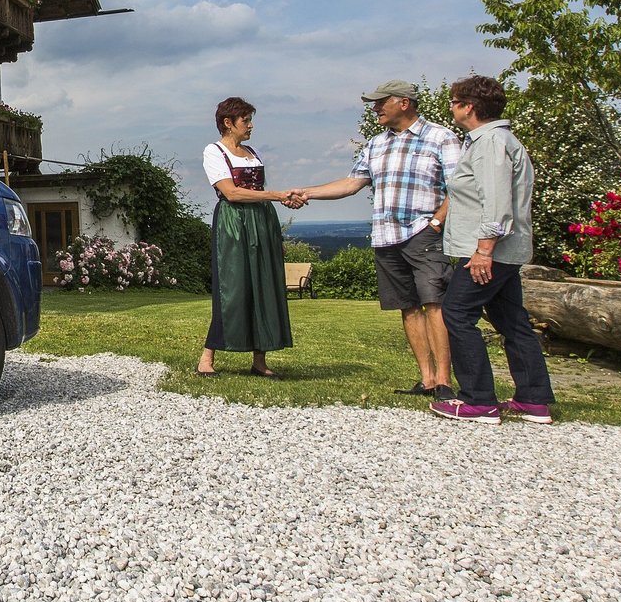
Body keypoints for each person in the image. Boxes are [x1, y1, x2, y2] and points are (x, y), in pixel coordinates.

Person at [291, 80, 462, 399]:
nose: (375, 108)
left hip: (423, 233)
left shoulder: (441, 137)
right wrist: (307, 192)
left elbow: (460, 187)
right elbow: (352, 183)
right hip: (386, 237)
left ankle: (444, 382)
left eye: (381, 102)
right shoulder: (376, 144)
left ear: (404, 103)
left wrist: (437, 223)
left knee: (434, 305)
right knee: (408, 308)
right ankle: (426, 379)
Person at [429, 75, 554, 424]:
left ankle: (478, 400)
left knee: (457, 314)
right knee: (511, 320)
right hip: (501, 251)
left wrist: (484, 250)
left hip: (489, 252)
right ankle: (533, 399)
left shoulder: (491, 143)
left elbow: (497, 202)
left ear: (469, 107)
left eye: (455, 101)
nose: (451, 107)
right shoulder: (492, 141)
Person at [198, 97, 304, 378]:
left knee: (264, 285)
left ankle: (259, 360)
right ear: (228, 123)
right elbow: (232, 192)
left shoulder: (253, 151)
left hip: (261, 220)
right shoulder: (214, 152)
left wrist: (280, 211)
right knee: (232, 290)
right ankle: (207, 357)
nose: (251, 125)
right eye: (245, 120)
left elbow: (258, 192)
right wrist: (278, 196)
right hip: (233, 222)